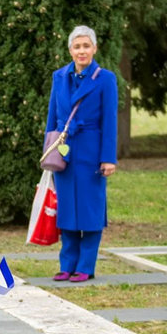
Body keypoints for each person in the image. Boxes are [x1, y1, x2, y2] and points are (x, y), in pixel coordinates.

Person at [46, 25, 117, 283]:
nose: (82, 51)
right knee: (67, 209)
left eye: (86, 46)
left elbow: (110, 120)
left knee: (90, 209)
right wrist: (49, 152)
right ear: (70, 50)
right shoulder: (59, 77)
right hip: (64, 152)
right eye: (77, 46)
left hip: (91, 151)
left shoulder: (105, 79)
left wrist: (108, 158)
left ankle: (85, 266)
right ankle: (67, 265)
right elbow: (52, 116)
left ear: (94, 48)